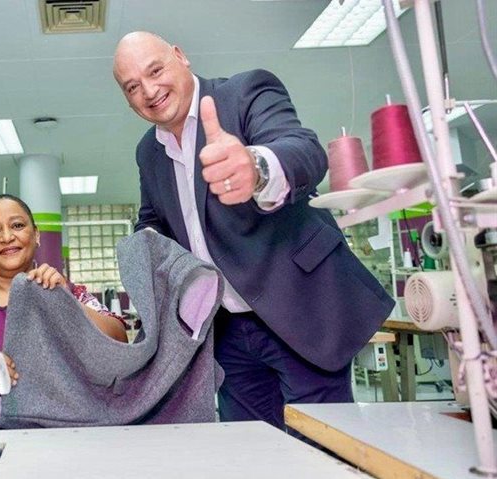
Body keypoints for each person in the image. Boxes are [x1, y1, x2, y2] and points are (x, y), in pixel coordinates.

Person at [112, 32, 394, 431]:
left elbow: (304, 150)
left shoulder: (244, 92)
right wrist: (143, 258)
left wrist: (256, 167)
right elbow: (153, 222)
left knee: (319, 448)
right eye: (133, 87)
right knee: (251, 452)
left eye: (155, 70)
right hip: (226, 331)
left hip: (299, 309)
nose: (150, 90)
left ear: (180, 55)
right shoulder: (148, 151)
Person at [0, 193, 127, 432]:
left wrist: (67, 302)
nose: (7, 237)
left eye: (17, 225)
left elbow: (118, 339)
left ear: (36, 235)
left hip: (43, 441)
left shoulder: (63, 290)